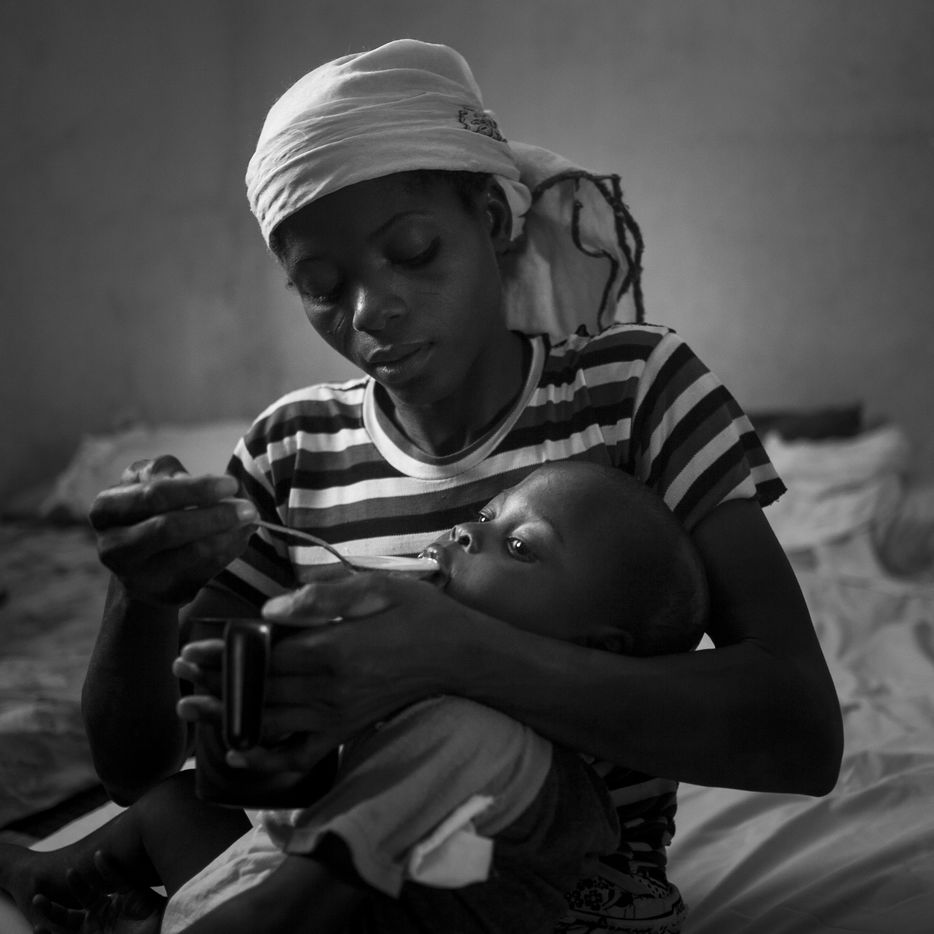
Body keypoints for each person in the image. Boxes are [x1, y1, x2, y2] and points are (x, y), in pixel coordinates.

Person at [78, 39, 842, 933]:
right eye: (321, 288)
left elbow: (802, 736)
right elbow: (135, 770)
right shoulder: (290, 451)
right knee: (169, 813)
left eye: (412, 251)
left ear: (492, 219)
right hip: (332, 881)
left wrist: (453, 652)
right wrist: (142, 601)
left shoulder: (635, 391)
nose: (370, 311)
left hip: (554, 897)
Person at [2, 463, 708, 934]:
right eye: (485, 515)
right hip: (281, 878)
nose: (466, 531)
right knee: (174, 804)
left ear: (595, 647)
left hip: (286, 912)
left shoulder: (474, 740)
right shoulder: (442, 699)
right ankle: (38, 871)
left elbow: (302, 906)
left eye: (520, 547)